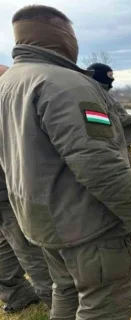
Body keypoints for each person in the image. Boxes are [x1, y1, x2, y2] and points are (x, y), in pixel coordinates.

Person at [0, 5, 131, 319]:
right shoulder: (65, 84)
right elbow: (97, 161)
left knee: (66, 291)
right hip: (86, 224)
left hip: (42, 220)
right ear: (61, 36)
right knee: (102, 304)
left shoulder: (9, 83)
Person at [0, 65, 53, 314]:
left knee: (4, 247)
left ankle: (17, 294)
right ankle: (58, 299)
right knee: (30, 247)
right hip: (7, 192)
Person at [87, 63, 131, 168]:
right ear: (100, 76)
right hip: (115, 144)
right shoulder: (96, 95)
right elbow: (113, 119)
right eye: (110, 76)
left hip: (119, 142)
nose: (113, 79)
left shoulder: (102, 93)